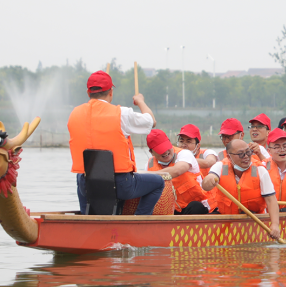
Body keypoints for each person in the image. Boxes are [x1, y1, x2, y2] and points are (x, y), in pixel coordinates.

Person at [68, 70, 166, 215]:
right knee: (158, 183)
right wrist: (140, 101)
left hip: (87, 186)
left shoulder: (74, 114)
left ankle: (85, 218)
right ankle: (138, 222)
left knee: (80, 175)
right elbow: (151, 122)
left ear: (88, 93)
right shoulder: (121, 114)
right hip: (120, 185)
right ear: (111, 93)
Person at [201, 138, 282, 240]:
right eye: (241, 154)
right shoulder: (220, 166)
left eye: (248, 152)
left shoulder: (260, 170)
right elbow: (206, 184)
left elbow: (271, 201)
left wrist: (275, 225)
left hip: (253, 218)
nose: (246, 157)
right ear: (229, 157)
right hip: (226, 217)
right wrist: (209, 179)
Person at [145, 129, 210, 215]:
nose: (166, 152)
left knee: (195, 206)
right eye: (160, 150)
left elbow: (177, 170)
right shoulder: (149, 165)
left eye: (167, 147)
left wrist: (146, 176)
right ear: (151, 152)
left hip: (193, 207)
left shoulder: (184, 154)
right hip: (170, 211)